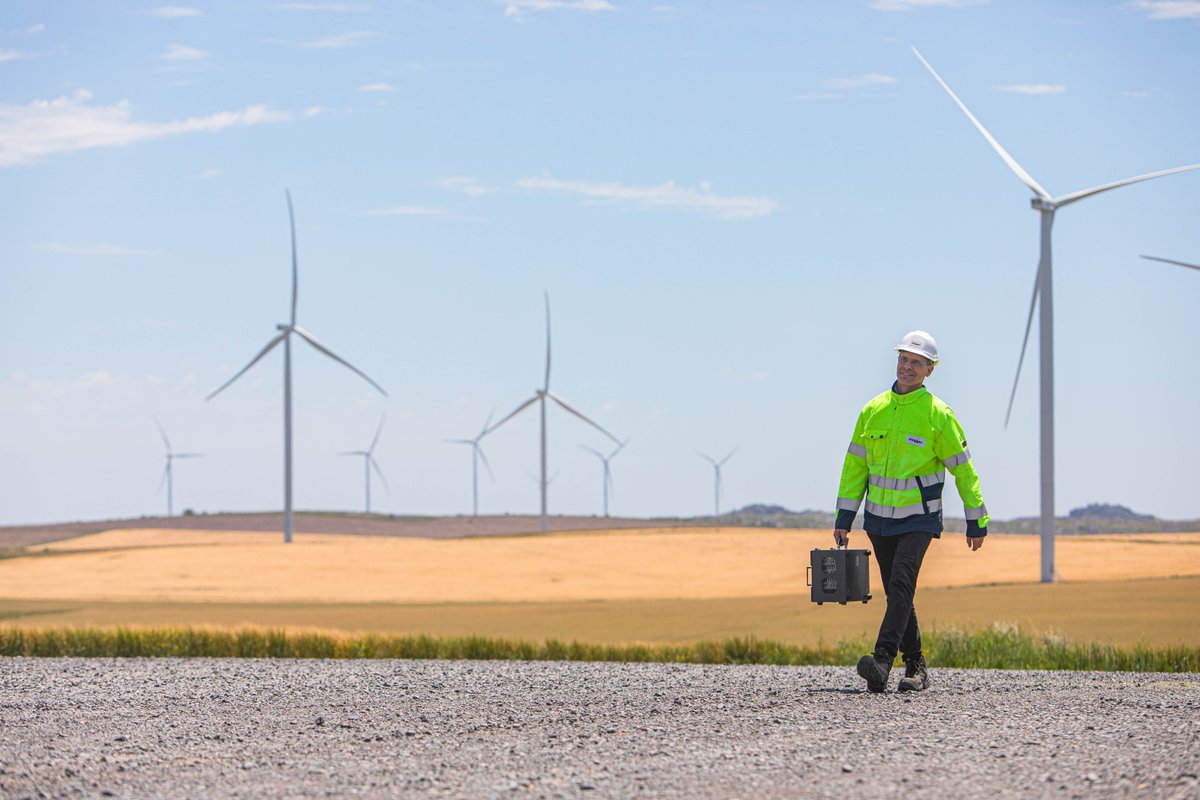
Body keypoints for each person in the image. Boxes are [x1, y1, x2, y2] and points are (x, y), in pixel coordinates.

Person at [833, 330, 988, 693]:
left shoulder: (938, 415)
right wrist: (844, 516)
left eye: (917, 362)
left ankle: (882, 661)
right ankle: (916, 666)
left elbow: (964, 469)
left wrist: (976, 518)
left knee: (902, 584)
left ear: (930, 370)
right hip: (878, 520)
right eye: (904, 359)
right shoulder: (872, 410)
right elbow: (855, 467)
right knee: (897, 593)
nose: (908, 367)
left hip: (919, 519)